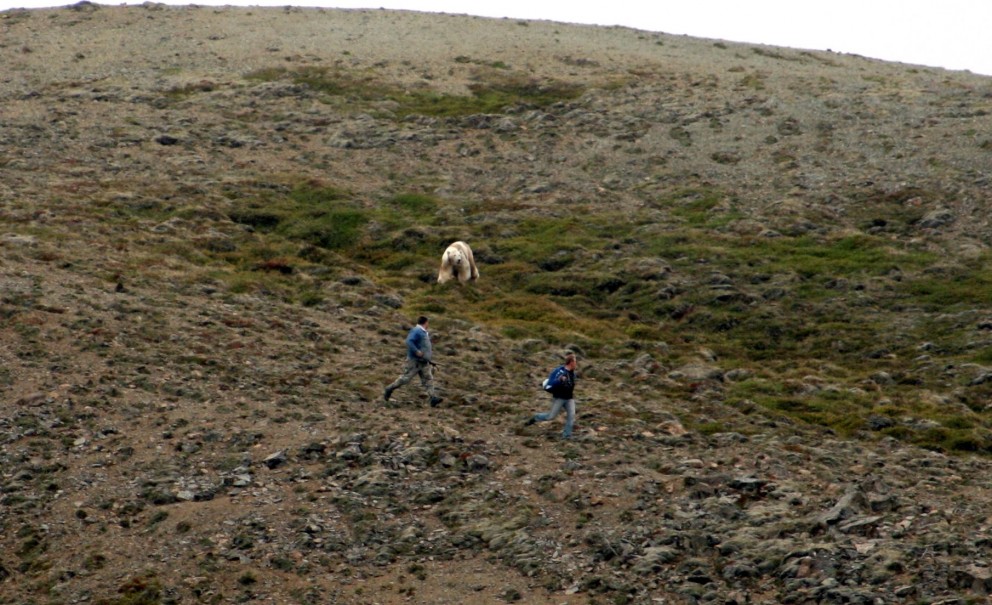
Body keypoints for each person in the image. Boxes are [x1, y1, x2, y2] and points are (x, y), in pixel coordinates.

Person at [383, 316, 443, 407]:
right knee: (405, 379)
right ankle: (389, 388)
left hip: (424, 362)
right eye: (428, 322)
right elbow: (409, 341)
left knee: (428, 379)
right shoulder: (416, 331)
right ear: (425, 322)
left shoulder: (423, 332)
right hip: (414, 362)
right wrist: (416, 351)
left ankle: (433, 398)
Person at [526, 353, 577, 439]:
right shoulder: (560, 372)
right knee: (550, 416)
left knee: (571, 416)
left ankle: (566, 436)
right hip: (559, 398)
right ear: (571, 362)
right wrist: (560, 380)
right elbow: (552, 383)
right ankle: (536, 417)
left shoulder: (572, 374)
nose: (576, 364)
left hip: (569, 398)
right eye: (575, 362)